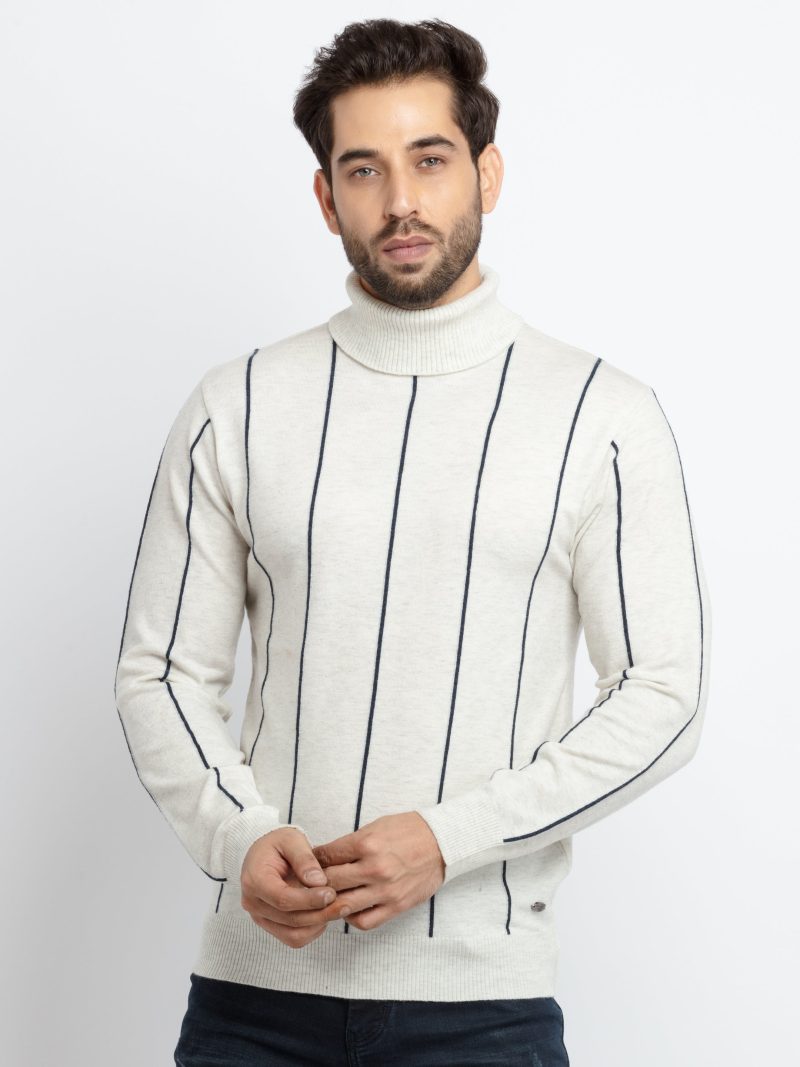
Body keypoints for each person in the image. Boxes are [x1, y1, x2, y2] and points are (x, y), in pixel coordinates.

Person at [114, 17, 711, 1067]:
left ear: (487, 173)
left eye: (429, 160)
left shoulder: (600, 416)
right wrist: (240, 834)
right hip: (253, 1004)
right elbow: (161, 673)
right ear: (325, 198)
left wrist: (449, 837)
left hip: (481, 1011)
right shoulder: (237, 405)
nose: (399, 200)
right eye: (364, 169)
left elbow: (662, 696)